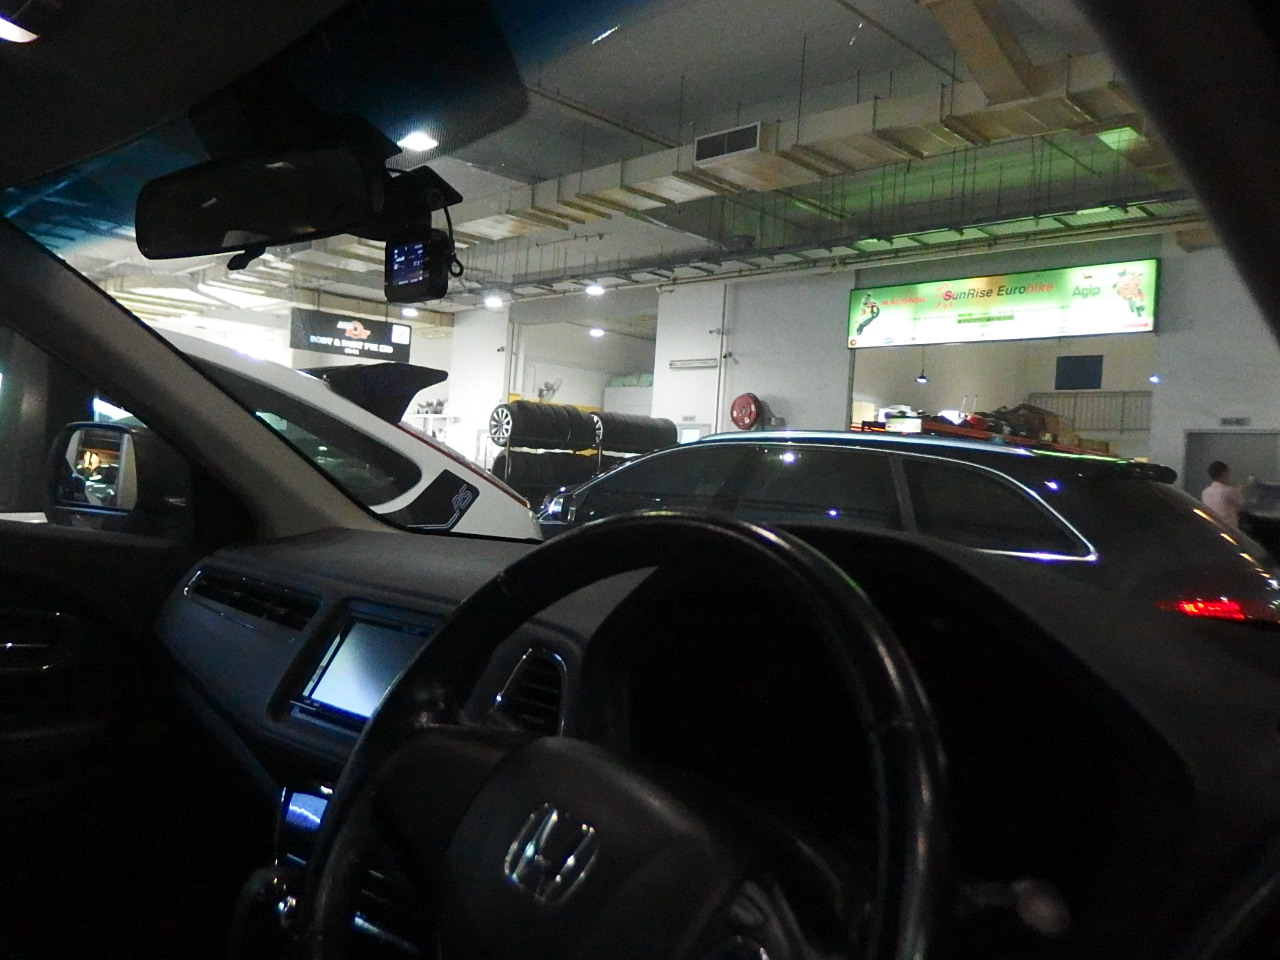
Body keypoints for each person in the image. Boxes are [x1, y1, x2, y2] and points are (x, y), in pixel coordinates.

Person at [1202, 460, 1243, 529]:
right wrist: (1239, 492)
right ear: (1224, 474)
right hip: (1227, 528)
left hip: (1211, 526)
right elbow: (1241, 503)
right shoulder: (1228, 491)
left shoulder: (1205, 492)